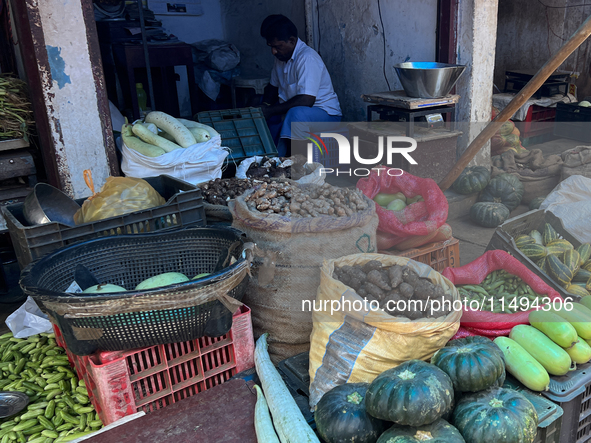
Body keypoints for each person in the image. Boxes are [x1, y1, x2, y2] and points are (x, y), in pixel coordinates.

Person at [260, 14, 342, 156]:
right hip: (296, 112)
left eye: (277, 46)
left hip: (325, 114)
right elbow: (272, 87)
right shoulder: (281, 57)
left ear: (291, 41)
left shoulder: (307, 58)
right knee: (257, 104)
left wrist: (272, 110)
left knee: (295, 114)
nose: (273, 51)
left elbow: (306, 100)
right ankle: (270, 158)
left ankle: (296, 162)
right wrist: (265, 105)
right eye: (271, 47)